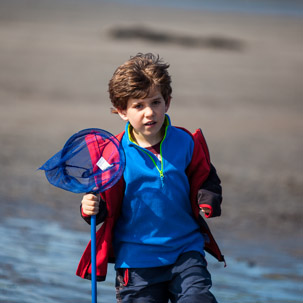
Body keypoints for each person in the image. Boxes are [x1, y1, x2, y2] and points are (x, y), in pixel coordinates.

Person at [76, 53, 225, 303]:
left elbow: (206, 175)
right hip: (136, 261)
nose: (149, 113)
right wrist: (90, 207)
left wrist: (207, 198)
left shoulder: (186, 142)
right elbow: (102, 200)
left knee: (198, 299)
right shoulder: (114, 154)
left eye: (155, 102)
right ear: (122, 111)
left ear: (167, 102)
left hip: (185, 250)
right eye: (138, 105)